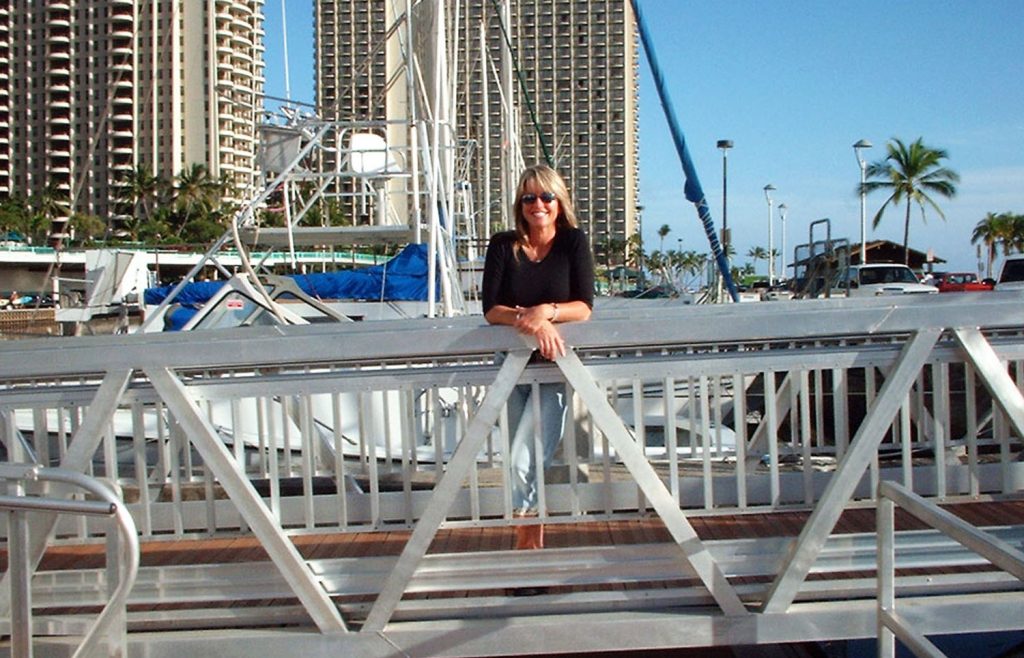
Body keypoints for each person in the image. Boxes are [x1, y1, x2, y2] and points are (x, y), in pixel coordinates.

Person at [482, 164, 594, 550]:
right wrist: (530, 322)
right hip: (510, 368)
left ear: (559, 202)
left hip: (553, 369)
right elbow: (491, 310)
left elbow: (584, 307)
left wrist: (546, 312)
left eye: (546, 196)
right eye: (529, 197)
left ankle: (527, 548)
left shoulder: (573, 243)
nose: (538, 204)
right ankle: (531, 541)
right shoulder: (503, 244)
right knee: (519, 461)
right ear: (520, 204)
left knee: (522, 461)